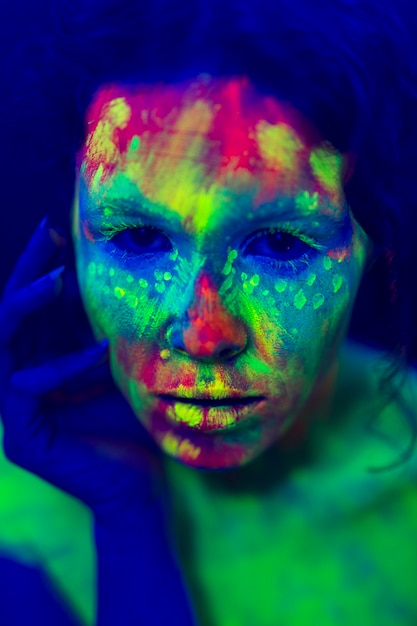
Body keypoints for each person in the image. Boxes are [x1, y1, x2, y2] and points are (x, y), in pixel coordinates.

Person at [1, 0, 417, 624]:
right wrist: (126, 511)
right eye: (138, 238)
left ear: (375, 244)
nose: (204, 335)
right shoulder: (17, 525)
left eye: (278, 244)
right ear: (69, 233)